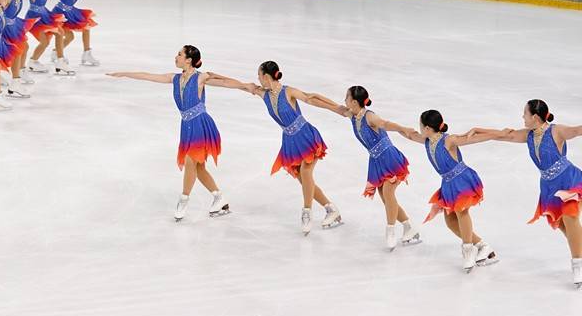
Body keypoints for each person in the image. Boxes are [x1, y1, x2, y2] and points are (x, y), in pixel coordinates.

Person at [109, 46, 249, 220]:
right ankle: (219, 198)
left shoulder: (200, 77)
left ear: (189, 60)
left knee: (190, 162)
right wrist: (125, 73)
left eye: (180, 54)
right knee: (199, 168)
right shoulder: (174, 78)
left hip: (200, 124)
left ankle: (183, 200)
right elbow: (148, 76)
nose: (176, 57)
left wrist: (247, 87)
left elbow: (226, 83)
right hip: (187, 126)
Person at [468, 100, 582, 286]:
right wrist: (478, 129)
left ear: (535, 117)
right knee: (563, 224)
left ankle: (578, 265)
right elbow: (504, 135)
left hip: (569, 180)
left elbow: (577, 130)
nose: (522, 117)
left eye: (525, 114)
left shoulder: (556, 131)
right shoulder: (529, 135)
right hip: (549, 186)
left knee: (570, 218)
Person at [304, 86, 420, 250]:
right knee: (386, 198)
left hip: (390, 158)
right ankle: (408, 227)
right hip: (376, 160)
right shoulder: (352, 115)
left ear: (354, 102)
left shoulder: (369, 116)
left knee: (388, 193)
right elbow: (333, 107)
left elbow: (384, 123)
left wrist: (403, 128)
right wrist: (315, 96)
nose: (344, 100)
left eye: (347, 97)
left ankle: (391, 230)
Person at [385, 110, 496, 271]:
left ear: (427, 128)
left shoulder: (448, 140)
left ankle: (468, 250)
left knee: (462, 213)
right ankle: (482, 245)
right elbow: (410, 135)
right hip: (448, 183)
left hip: (462, 179)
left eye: (420, 125)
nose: (419, 128)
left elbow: (474, 139)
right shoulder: (427, 141)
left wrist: (498, 133)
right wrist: (393, 127)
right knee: (450, 222)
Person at [240, 61, 341, 235]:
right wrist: (212, 79)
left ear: (266, 76)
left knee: (306, 173)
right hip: (290, 141)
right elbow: (240, 86)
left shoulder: (288, 91)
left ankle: (306, 212)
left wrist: (338, 108)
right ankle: (331, 209)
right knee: (304, 180)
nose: (257, 78)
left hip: (306, 136)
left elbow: (310, 98)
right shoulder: (263, 94)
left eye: (259, 75)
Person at [24, 0, 71, 76]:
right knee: (45, 42)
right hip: (34, 18)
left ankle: (58, 61)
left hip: (44, 14)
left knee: (59, 33)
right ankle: (34, 61)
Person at [51, 0, 102, 67]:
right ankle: (56, 52)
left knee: (86, 26)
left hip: (71, 11)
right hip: (60, 13)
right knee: (70, 37)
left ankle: (86, 53)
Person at [0, 0, 33, 97]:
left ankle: (20, 70)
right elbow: (2, 3)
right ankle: (15, 82)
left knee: (25, 47)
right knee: (16, 52)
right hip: (5, 28)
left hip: (14, 26)